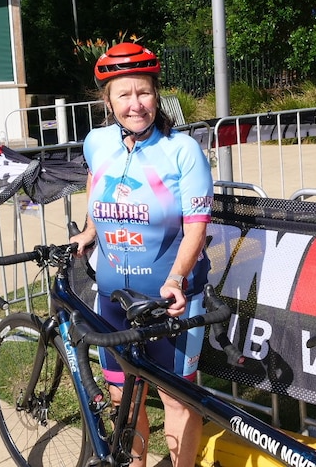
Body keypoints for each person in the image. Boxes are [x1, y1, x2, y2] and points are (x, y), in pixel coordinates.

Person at [70, 42, 213, 467]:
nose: (136, 104)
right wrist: (89, 231)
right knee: (123, 400)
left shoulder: (182, 151)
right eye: (124, 94)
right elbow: (99, 186)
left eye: (144, 91)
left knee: (177, 402)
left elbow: (197, 229)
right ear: (107, 100)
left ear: (157, 93)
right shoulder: (96, 143)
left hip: (169, 300)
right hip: (112, 296)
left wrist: (176, 279)